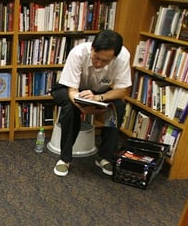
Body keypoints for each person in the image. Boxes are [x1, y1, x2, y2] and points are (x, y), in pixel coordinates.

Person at [50, 29, 132, 177]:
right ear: (92, 48)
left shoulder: (123, 57)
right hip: (71, 89)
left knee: (118, 106)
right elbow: (72, 91)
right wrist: (83, 107)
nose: (98, 63)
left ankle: (105, 156)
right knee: (70, 108)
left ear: (114, 57)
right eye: (96, 57)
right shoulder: (78, 53)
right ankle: (65, 158)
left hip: (99, 92)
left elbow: (122, 90)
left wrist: (99, 98)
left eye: (105, 61)